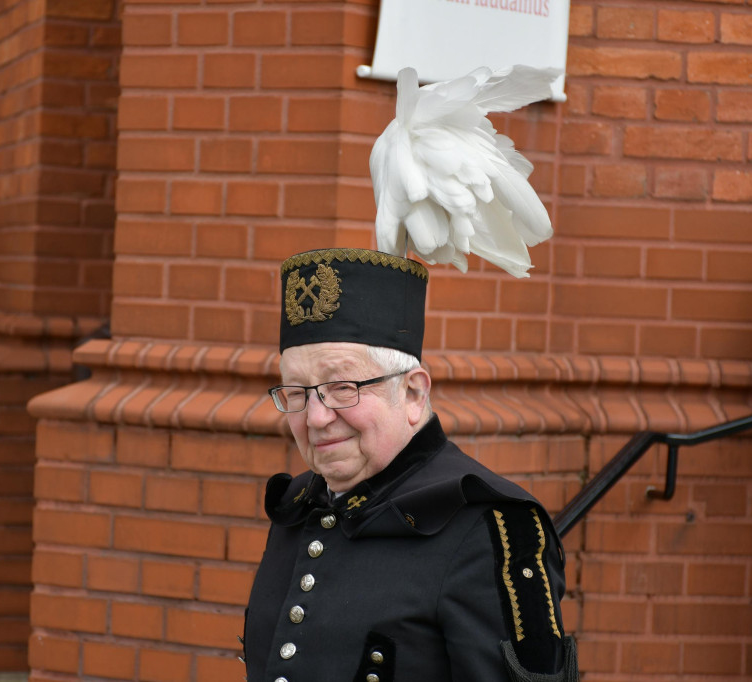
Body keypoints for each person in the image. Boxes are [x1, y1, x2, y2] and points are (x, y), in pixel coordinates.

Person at [243, 248, 578, 682]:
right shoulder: (298, 505)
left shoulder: (486, 527)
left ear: (414, 394)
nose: (316, 418)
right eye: (296, 393)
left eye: (343, 387)